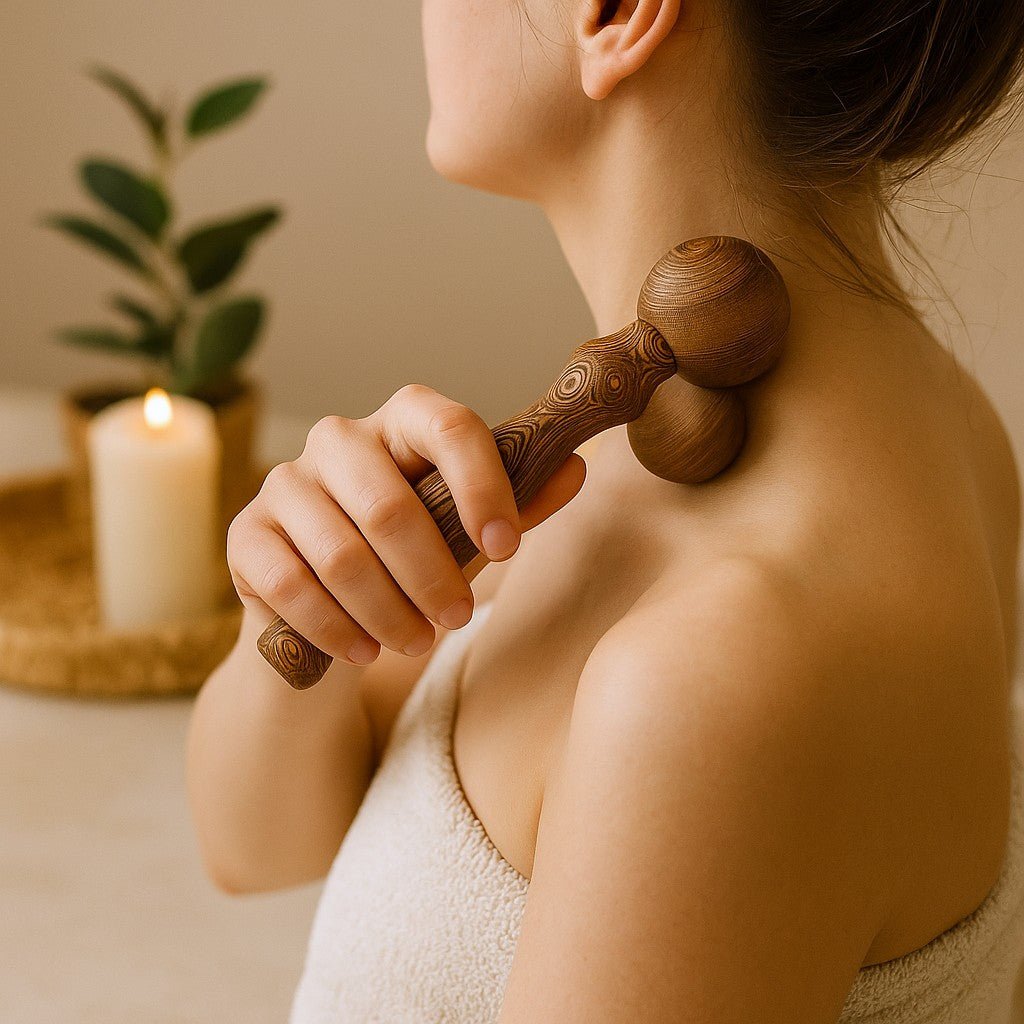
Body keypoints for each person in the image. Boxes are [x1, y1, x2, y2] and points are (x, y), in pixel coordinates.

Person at [186, 0, 1024, 1020]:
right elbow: (253, 847)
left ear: (617, 13)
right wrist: (299, 593)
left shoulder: (721, 677)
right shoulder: (939, 424)